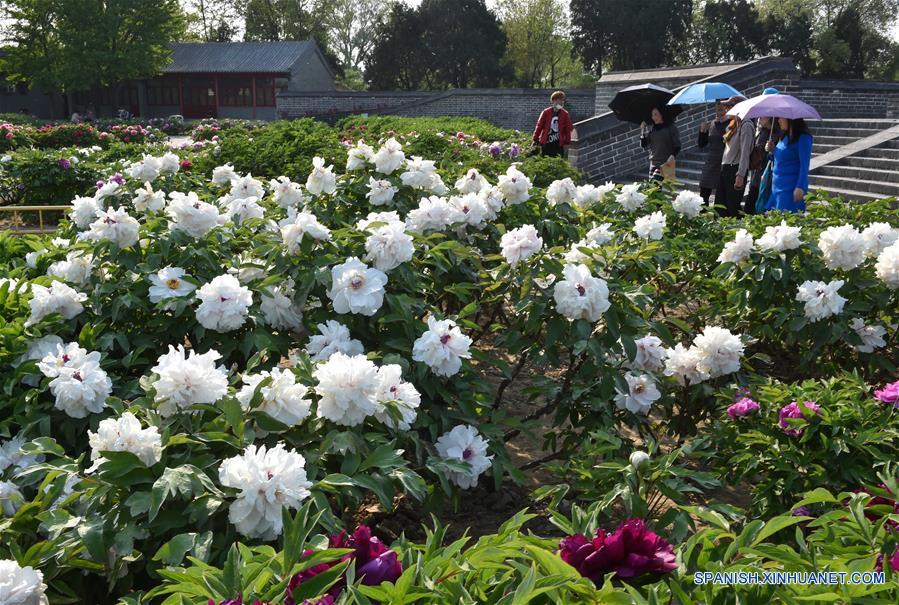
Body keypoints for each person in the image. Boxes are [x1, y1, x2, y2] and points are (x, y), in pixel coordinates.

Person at [717, 95, 754, 217]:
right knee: (720, 206)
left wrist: (740, 175)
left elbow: (745, 152)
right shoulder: (734, 124)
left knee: (732, 208)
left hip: (735, 169)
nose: (726, 109)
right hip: (726, 168)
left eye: (729, 106)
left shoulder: (746, 125)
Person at [767, 118, 813, 212]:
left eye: (781, 118)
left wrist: (800, 187)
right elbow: (781, 157)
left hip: (790, 189)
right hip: (776, 187)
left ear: (790, 119)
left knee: (785, 218)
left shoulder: (803, 138)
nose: (779, 120)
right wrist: (772, 150)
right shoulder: (784, 136)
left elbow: (804, 166)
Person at [696, 99, 728, 205]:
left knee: (720, 195)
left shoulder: (731, 124)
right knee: (703, 192)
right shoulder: (712, 123)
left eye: (722, 108)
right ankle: (703, 213)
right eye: (717, 108)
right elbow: (702, 144)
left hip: (723, 161)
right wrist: (702, 131)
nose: (719, 111)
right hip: (710, 161)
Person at [745, 117, 779, 214]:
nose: (759, 118)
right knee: (750, 204)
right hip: (756, 171)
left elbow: (774, 155)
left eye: (762, 116)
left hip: (766, 174)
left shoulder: (776, 134)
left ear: (769, 118)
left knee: (757, 203)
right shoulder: (761, 131)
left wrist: (770, 149)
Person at [640, 107, 681, 181]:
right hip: (653, 164)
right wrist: (642, 130)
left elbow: (677, 146)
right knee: (654, 187)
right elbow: (644, 145)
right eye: (652, 115)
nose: (653, 117)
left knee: (662, 186)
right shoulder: (653, 130)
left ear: (662, 114)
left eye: (656, 114)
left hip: (666, 163)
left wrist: (672, 156)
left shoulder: (671, 128)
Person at [532, 91, 573, 157]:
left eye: (563, 100)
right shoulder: (546, 112)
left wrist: (567, 142)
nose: (562, 102)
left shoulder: (565, 114)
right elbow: (539, 126)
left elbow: (568, 129)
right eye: (560, 100)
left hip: (558, 144)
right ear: (554, 100)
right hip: (546, 143)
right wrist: (535, 139)